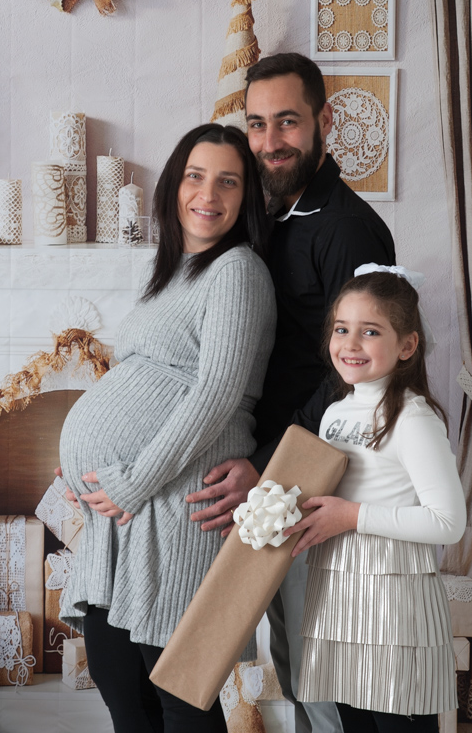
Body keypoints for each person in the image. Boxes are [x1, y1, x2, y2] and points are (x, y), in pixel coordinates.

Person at [186, 53, 396, 733]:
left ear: (323, 120)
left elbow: (355, 374)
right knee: (295, 661)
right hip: (275, 476)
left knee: (323, 669)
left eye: (287, 122)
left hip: (321, 473)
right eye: (257, 124)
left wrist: (266, 466)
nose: (271, 141)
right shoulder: (269, 214)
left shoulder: (349, 228)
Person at [58, 123, 277, 733]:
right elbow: (137, 382)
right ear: (174, 186)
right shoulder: (173, 271)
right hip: (125, 517)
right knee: (120, 685)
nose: (208, 194)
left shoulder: (237, 270)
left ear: (246, 197)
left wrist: (131, 481)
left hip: (173, 509)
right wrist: (82, 462)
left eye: (228, 182)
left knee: (180, 697)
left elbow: (215, 394)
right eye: (195, 176)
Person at [284, 264, 466, 733]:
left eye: (370, 331)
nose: (350, 344)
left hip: (393, 600)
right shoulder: (334, 414)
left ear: (407, 345)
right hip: (338, 594)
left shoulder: (412, 418)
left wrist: (352, 516)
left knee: (397, 721)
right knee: (353, 721)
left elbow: (447, 522)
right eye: (341, 329)